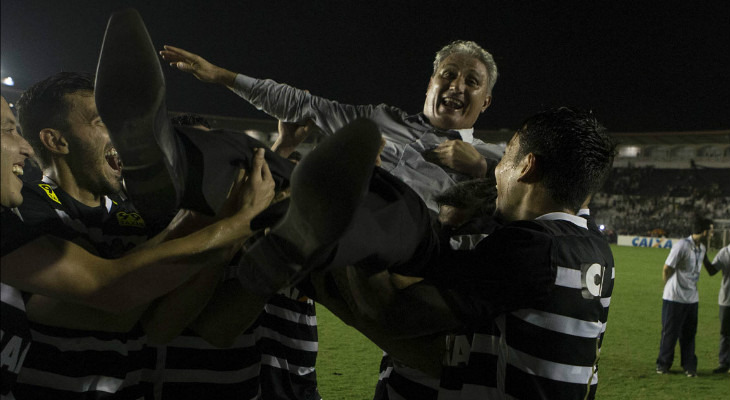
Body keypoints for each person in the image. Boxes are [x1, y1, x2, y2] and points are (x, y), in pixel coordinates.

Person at [243, 107, 616, 399]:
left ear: (527, 167)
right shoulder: (591, 249)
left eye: (504, 160)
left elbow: (390, 314)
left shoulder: (532, 247)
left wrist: (352, 208)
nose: (497, 171)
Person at [6, 72, 274, 399]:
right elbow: (108, 303)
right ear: (57, 141)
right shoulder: (27, 204)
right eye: (102, 122)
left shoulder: (130, 212)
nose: (122, 135)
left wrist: (222, 231)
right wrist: (229, 223)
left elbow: (161, 327)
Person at [160, 40, 505, 212]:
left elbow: (542, 194)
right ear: (430, 83)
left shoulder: (500, 159)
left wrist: (481, 166)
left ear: (485, 101)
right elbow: (304, 104)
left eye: (472, 81)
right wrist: (220, 76)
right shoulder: (379, 120)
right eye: (448, 75)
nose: (457, 86)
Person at [656, 216, 714, 377]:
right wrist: (667, 287)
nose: (712, 234)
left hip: (692, 298)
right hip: (674, 297)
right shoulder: (681, 245)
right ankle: (663, 365)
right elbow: (667, 268)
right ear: (704, 231)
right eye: (711, 230)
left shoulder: (701, 248)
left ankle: (689, 366)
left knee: (689, 334)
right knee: (670, 333)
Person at [704, 244, 730, 374]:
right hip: (727, 299)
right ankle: (724, 363)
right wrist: (704, 257)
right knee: (725, 332)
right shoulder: (724, 252)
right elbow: (712, 271)